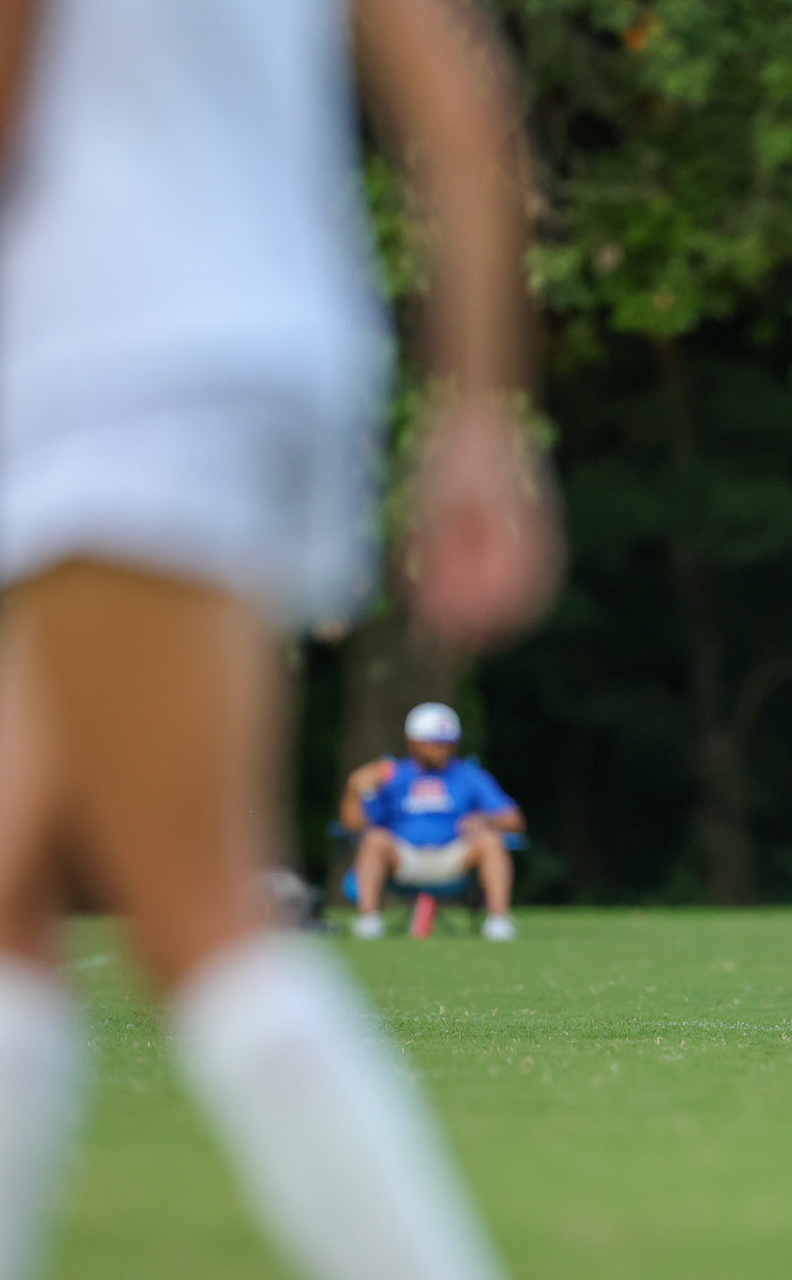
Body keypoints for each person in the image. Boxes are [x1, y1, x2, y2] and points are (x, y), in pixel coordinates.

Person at [0, 2, 560, 1278]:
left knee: (200, 913)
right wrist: (478, 417)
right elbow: (463, 115)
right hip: (278, 353)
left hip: (108, 363)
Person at [342, 702, 524, 942]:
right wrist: (355, 789)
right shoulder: (389, 775)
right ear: (413, 742)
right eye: (435, 743)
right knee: (374, 840)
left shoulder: (469, 774)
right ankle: (369, 920)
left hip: (454, 857)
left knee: (489, 840)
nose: (443, 749)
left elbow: (514, 820)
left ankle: (498, 922)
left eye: (449, 742)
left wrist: (486, 818)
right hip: (404, 857)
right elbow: (355, 826)